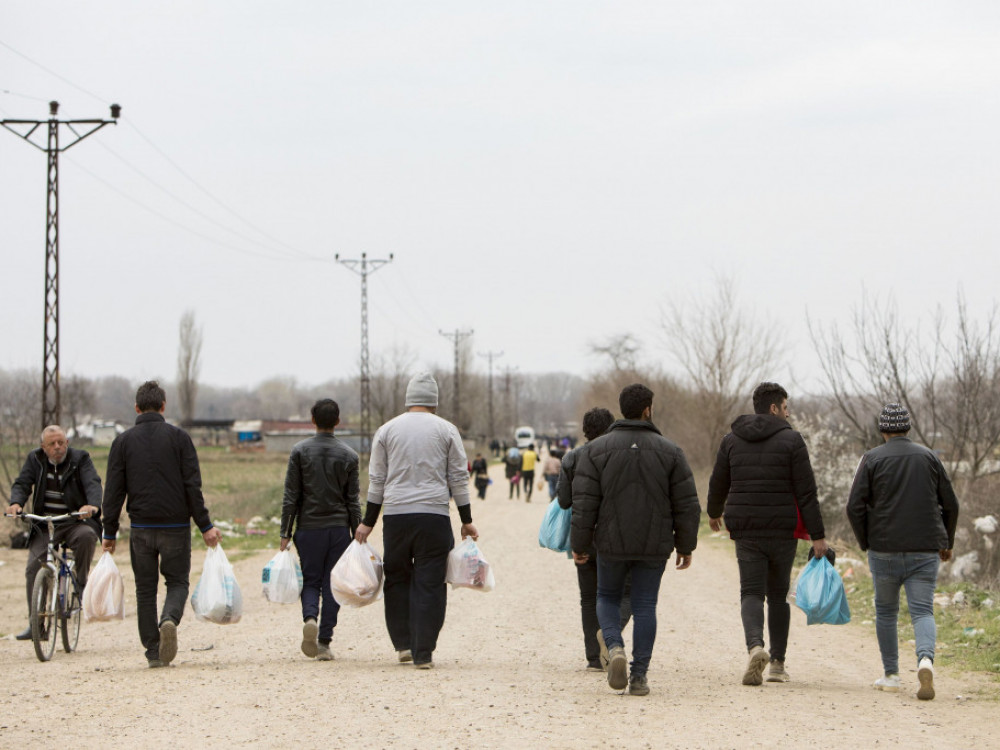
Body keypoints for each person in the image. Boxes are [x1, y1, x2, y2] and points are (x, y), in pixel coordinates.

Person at [571, 384, 701, 696]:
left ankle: (614, 646)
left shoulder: (596, 450)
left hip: (610, 541)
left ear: (622, 409)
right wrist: (686, 545)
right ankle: (639, 675)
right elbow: (687, 504)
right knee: (645, 604)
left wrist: (580, 543)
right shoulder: (671, 452)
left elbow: (584, 503)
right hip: (654, 544)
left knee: (606, 597)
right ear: (647, 409)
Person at [707, 381, 828, 686]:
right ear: (774, 408)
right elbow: (807, 492)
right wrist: (817, 536)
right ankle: (776, 664)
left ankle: (754, 647)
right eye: (786, 407)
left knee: (750, 592)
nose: (788, 414)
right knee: (777, 596)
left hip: (746, 528)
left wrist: (713, 512)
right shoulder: (792, 440)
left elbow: (718, 481)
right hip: (782, 530)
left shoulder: (731, 440)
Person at [355, 372, 478, 668]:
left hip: (396, 518)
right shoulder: (447, 430)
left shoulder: (387, 430)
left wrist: (368, 521)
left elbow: (377, 480)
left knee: (397, 579)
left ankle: (403, 645)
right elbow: (458, 478)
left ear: (408, 399)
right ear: (434, 402)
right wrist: (466, 519)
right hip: (434, 517)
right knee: (431, 582)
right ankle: (424, 652)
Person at [102, 381, 222, 668]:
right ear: (163, 406)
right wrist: (205, 525)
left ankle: (154, 651)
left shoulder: (122, 442)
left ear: (136, 408)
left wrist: (109, 531)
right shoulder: (180, 438)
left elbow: (114, 492)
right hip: (175, 527)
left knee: (145, 590)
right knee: (177, 582)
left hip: (141, 529)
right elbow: (192, 486)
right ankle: (169, 618)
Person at [846, 403, 959, 701]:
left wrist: (866, 541)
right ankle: (925, 660)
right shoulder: (929, 457)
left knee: (886, 611)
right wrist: (946, 541)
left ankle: (891, 675)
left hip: (883, 548)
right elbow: (951, 504)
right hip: (925, 548)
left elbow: (854, 506)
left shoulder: (871, 458)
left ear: (882, 430)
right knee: (922, 610)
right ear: (908, 428)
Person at [279, 398, 360, 661]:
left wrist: (285, 532)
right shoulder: (349, 456)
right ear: (338, 421)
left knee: (311, 580)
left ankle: (310, 618)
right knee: (332, 583)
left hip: (308, 528)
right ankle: (324, 642)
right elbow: (353, 500)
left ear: (313, 420)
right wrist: (357, 533)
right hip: (338, 529)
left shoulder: (299, 452)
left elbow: (291, 495)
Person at [7, 425, 102, 641]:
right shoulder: (35, 459)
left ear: (67, 443)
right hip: (45, 524)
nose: (57, 447)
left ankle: (81, 583)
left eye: (61, 442)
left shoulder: (81, 459)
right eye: (52, 444)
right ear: (43, 447)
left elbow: (93, 483)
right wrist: (16, 503)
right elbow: (22, 483)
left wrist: (92, 505)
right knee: (33, 568)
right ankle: (37, 625)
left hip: (74, 521)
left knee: (87, 536)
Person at [557, 406, 632, 672]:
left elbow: (564, 501)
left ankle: (594, 657)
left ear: (585, 431)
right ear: (611, 428)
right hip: (618, 536)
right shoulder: (623, 455)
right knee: (626, 593)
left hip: (585, 535)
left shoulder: (572, 458)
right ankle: (609, 636)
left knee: (589, 598)